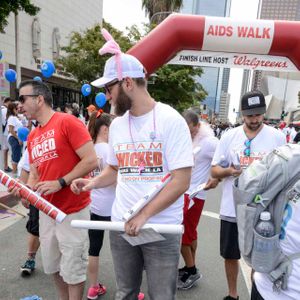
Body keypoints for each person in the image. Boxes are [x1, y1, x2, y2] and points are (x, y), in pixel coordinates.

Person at [71, 31, 193, 300]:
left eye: (108, 88)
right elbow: (115, 169)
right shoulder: (117, 125)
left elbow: (181, 180)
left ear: (127, 83)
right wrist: (91, 182)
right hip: (122, 224)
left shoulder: (170, 120)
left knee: (162, 295)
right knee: (125, 292)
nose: (106, 95)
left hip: (161, 227)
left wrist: (145, 215)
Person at [10, 80, 98, 300]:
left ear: (39, 99)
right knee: (54, 267)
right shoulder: (32, 135)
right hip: (46, 212)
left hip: (73, 210)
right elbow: (35, 172)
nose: (19, 104)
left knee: (74, 270)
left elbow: (91, 160)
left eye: (22, 98)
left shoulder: (67, 122)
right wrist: (27, 191)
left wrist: (60, 182)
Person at [210, 91, 286, 300]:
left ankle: (256, 293)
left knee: (260, 257)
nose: (255, 120)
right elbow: (214, 170)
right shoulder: (229, 137)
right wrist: (229, 172)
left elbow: (286, 171)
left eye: (258, 115)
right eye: (250, 115)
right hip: (232, 207)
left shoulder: (277, 137)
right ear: (242, 113)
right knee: (230, 254)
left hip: (264, 211)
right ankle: (232, 294)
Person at [177, 110, 219, 290]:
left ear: (197, 124)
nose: (189, 132)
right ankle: (189, 266)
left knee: (182, 234)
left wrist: (216, 178)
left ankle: (192, 270)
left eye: (190, 129)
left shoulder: (209, 142)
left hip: (196, 194)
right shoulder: (187, 139)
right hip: (184, 193)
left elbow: (224, 159)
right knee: (190, 233)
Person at [85, 110, 115, 299]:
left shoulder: (90, 150)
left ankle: (93, 288)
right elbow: (116, 178)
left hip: (93, 204)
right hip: (111, 206)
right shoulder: (108, 150)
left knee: (93, 248)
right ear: (104, 129)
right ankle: (128, 289)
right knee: (123, 250)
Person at [6, 102, 23, 175]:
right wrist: (18, 138)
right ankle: (14, 173)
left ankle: (15, 172)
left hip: (16, 137)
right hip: (14, 137)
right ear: (13, 109)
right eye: (16, 108)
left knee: (17, 155)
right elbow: (11, 130)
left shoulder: (14, 117)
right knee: (16, 155)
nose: (18, 109)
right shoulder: (12, 118)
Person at [1, 97, 12, 172]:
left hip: (3, 132)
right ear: (8, 102)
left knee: (5, 149)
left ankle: (5, 166)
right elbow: (5, 122)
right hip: (5, 132)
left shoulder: (2, 109)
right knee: (7, 149)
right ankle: (5, 166)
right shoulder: (5, 110)